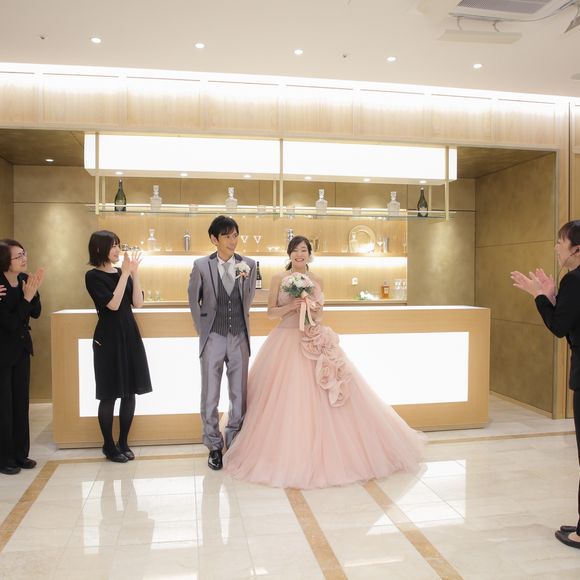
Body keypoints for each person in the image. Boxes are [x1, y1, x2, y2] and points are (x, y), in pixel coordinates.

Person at [223, 235, 424, 489]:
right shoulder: (278, 278)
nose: (299, 254)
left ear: (309, 254)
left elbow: (321, 313)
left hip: (313, 338)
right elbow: (271, 312)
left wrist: (311, 308)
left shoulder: (317, 279)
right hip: (285, 338)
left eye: (304, 250)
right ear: (289, 254)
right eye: (295, 250)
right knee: (284, 396)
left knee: (329, 390)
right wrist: (293, 306)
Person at [511, 220, 580, 550]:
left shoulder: (574, 279)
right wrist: (553, 297)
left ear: (576, 249)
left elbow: (558, 326)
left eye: (561, 242)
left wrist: (541, 297)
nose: (556, 247)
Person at [188, 216, 257, 470]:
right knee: (210, 394)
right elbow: (193, 301)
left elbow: (248, 299)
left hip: (239, 336)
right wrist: (204, 332)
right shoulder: (201, 266)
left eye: (235, 235)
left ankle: (235, 442)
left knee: (239, 393)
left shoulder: (248, 265)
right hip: (213, 337)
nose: (232, 241)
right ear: (214, 239)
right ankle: (214, 446)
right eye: (227, 236)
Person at [85, 230, 152, 463]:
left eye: (118, 245)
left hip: (129, 336)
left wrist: (135, 273)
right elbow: (112, 305)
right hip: (107, 339)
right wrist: (124, 274)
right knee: (109, 394)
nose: (117, 250)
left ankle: (123, 442)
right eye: (112, 245)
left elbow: (138, 303)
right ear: (98, 249)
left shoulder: (122, 273)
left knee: (130, 392)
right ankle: (108, 445)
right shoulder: (92, 276)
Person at [0, 239, 44, 475]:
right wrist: (26, 299)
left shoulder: (25, 279)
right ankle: (5, 458)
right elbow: (9, 323)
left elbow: (36, 313)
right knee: (4, 407)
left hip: (21, 349)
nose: (24, 258)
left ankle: (20, 454)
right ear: (5, 260)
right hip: (3, 352)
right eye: (18, 256)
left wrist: (33, 294)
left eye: (24, 254)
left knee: (20, 403)